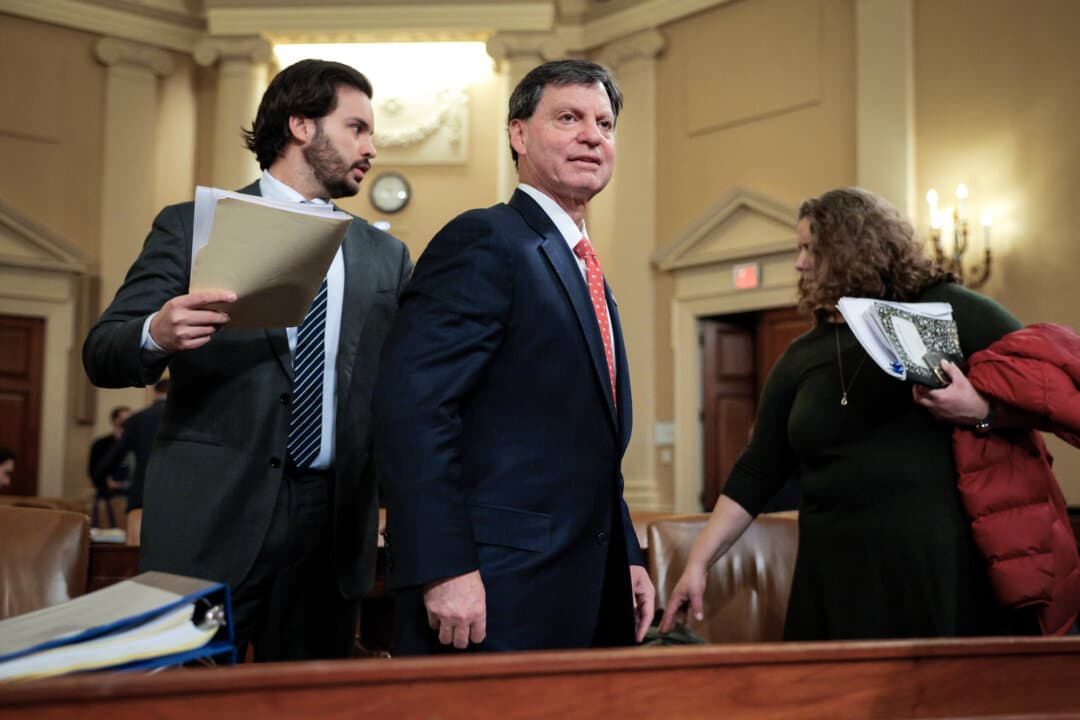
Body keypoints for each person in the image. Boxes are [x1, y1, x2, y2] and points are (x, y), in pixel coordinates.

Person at [82, 59, 412, 662]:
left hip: (330, 532)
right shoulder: (191, 227)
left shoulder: (385, 256)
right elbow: (103, 352)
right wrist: (157, 332)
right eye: (357, 128)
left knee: (309, 709)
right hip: (209, 524)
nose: (372, 146)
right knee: (186, 704)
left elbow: (397, 391)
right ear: (301, 127)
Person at [660, 187, 1031, 641]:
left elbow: (1045, 388)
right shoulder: (801, 356)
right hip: (833, 577)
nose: (798, 263)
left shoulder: (939, 308)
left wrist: (982, 410)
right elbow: (757, 470)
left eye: (809, 249)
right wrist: (698, 563)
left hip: (934, 567)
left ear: (851, 248)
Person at [373, 59, 655, 655]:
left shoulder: (584, 268)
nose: (592, 135)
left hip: (583, 584)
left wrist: (625, 555)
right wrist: (443, 567)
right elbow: (414, 411)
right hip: (493, 590)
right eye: (569, 118)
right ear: (518, 134)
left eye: (604, 124)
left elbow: (587, 442)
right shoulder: (486, 240)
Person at [93, 378, 169, 513]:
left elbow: (117, 454)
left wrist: (101, 478)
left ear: (154, 393)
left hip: (143, 493)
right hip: (178, 496)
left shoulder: (138, 419)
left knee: (138, 533)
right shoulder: (191, 420)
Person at [88, 405, 130, 493]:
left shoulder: (134, 444)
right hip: (107, 493)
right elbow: (94, 471)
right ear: (115, 420)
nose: (127, 423)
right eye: (124, 420)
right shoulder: (100, 444)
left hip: (129, 492)